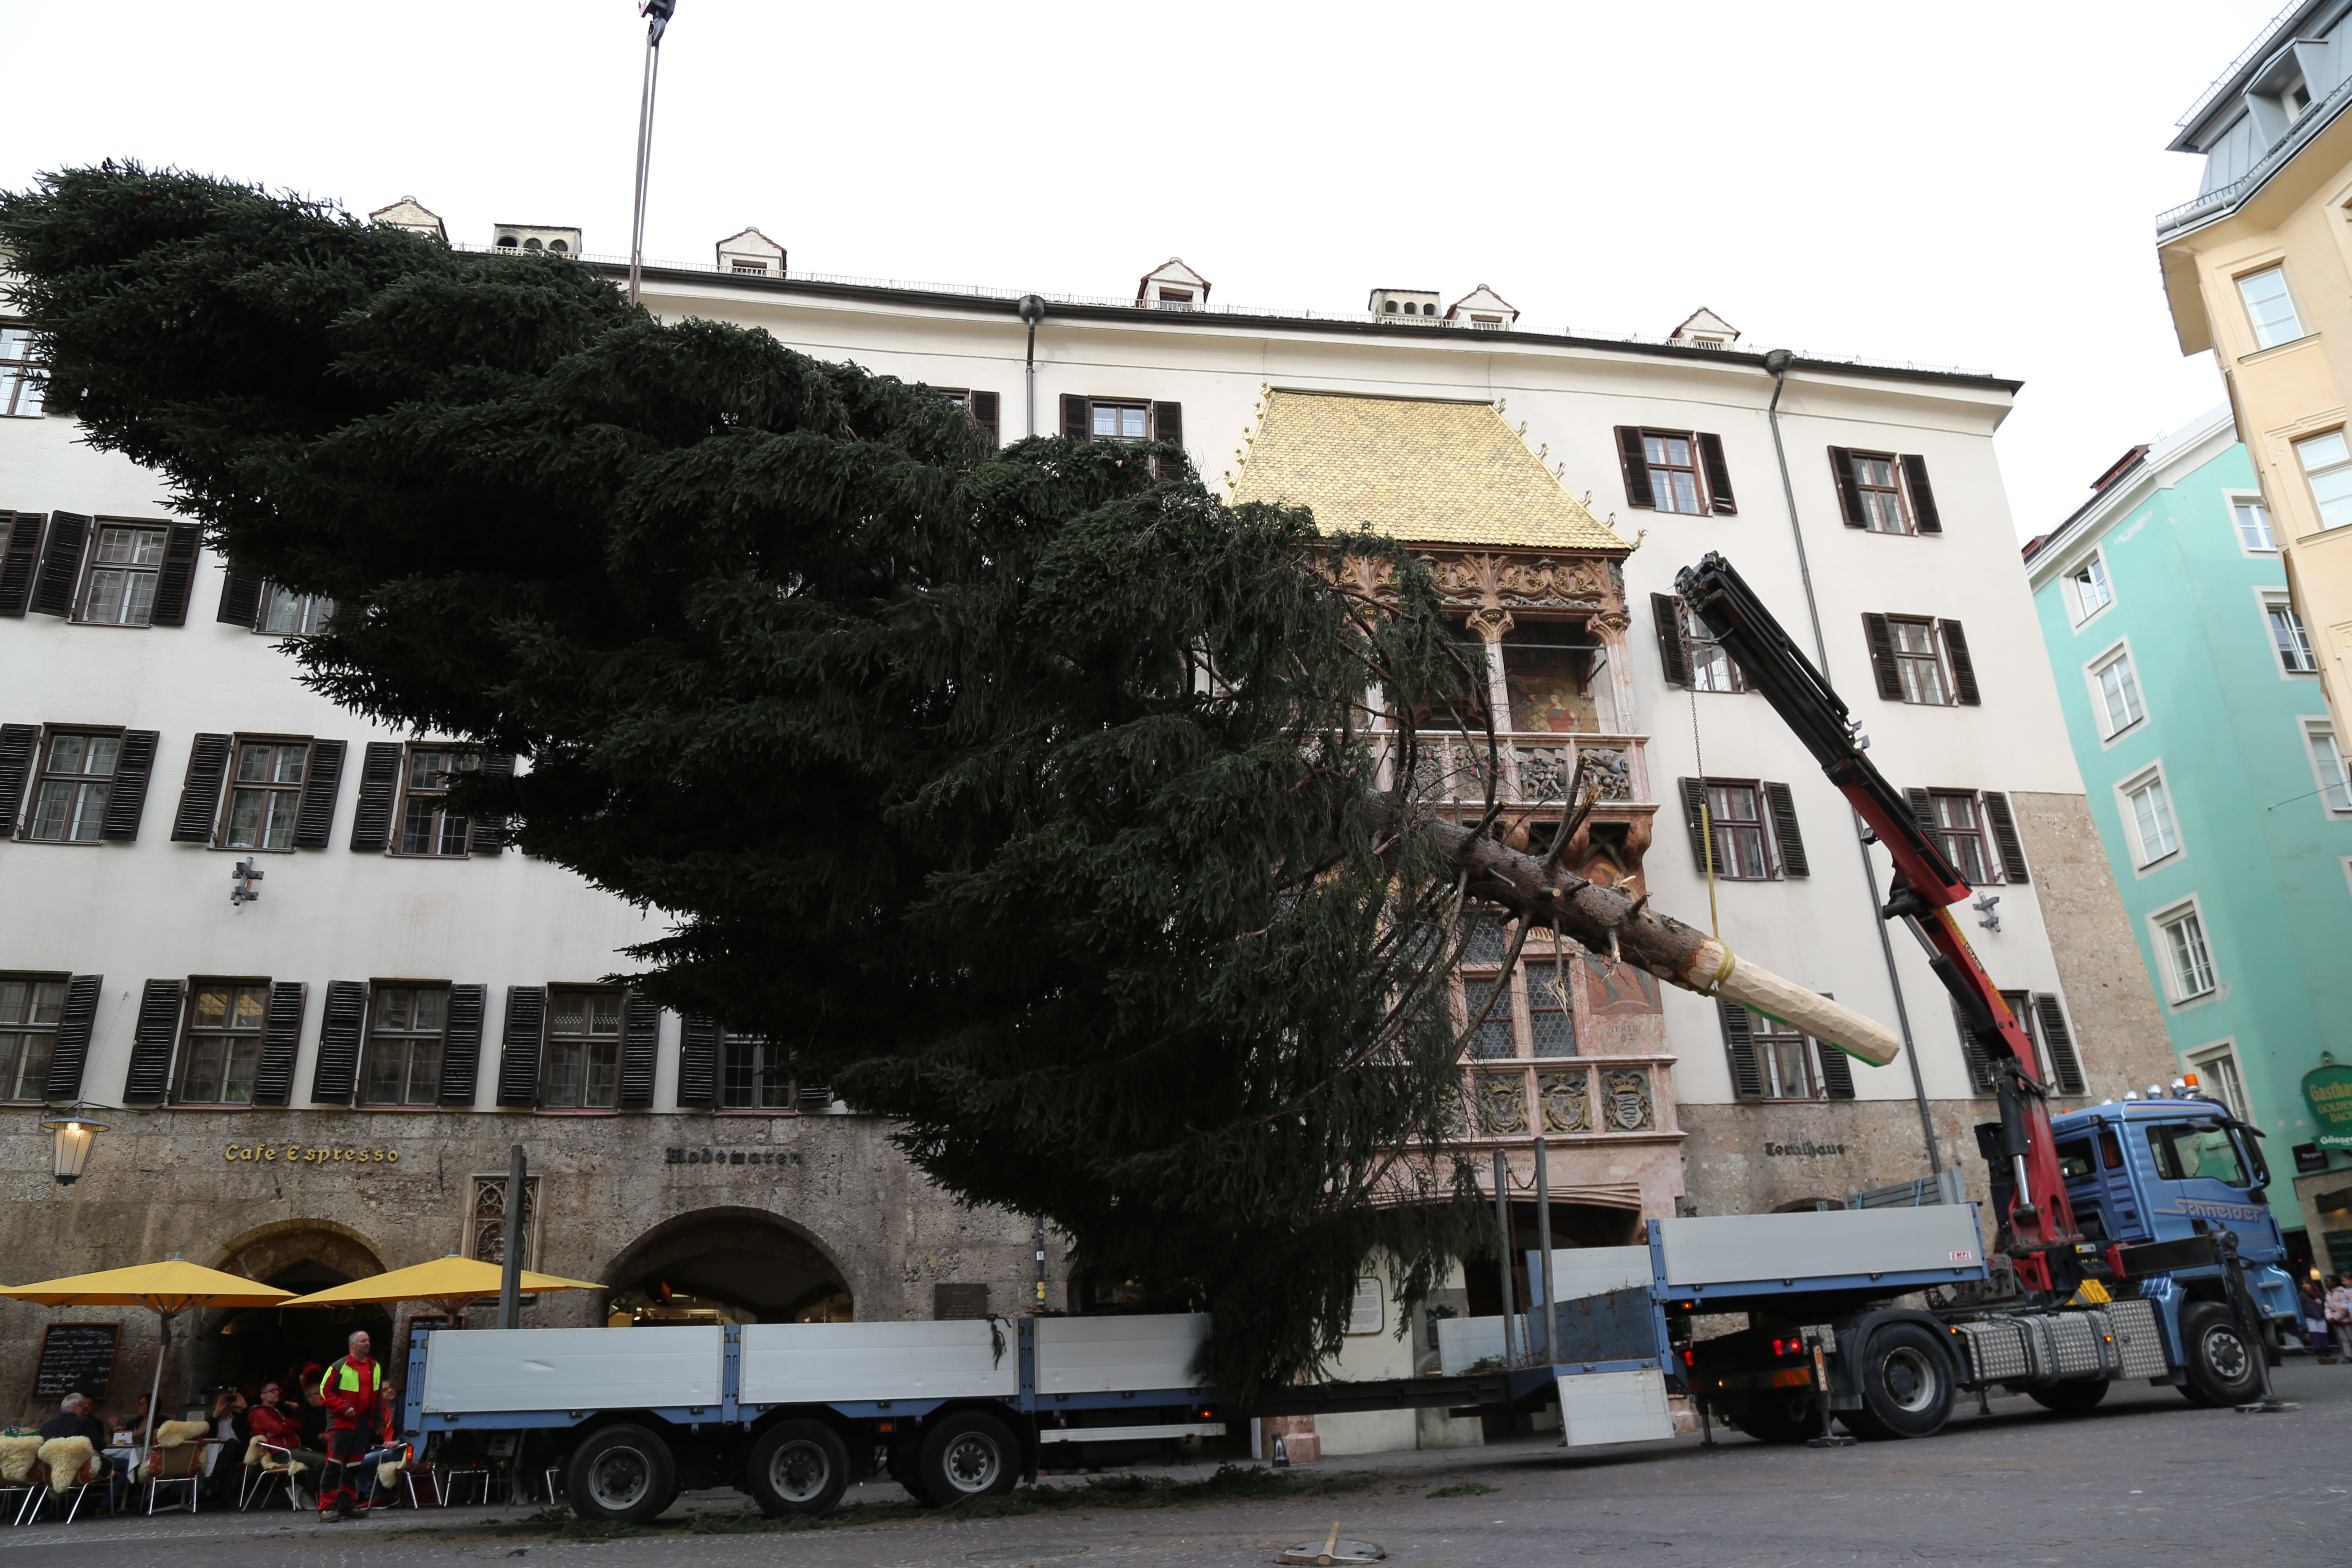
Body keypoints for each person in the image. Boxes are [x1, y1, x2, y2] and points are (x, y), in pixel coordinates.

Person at [316, 1330, 390, 1522]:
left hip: (363, 1424)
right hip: (342, 1423)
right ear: (353, 1345)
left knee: (354, 1466)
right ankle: (326, 1507)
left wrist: (379, 1421)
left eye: (368, 1341)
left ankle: (346, 1505)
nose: (367, 1344)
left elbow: (377, 1397)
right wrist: (343, 1407)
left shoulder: (375, 1367)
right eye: (363, 1341)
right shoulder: (339, 1367)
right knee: (334, 1465)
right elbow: (324, 1393)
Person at [40, 1391, 129, 1512]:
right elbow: (100, 1446)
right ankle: (104, 1505)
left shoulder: (46, 1426)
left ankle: (69, 1506)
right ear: (76, 1407)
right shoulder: (84, 1422)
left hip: (55, 1471)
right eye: (83, 1407)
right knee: (127, 1464)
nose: (84, 1410)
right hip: (82, 1468)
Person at [247, 1379, 325, 1509]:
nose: (277, 1393)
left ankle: (300, 1489)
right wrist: (284, 1426)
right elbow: (280, 1429)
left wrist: (285, 1425)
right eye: (272, 1391)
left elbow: (299, 1426)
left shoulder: (277, 1412)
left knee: (329, 1459)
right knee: (322, 1461)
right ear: (263, 1396)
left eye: (278, 1390)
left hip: (293, 1450)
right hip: (282, 1453)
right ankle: (306, 1493)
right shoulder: (259, 1412)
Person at [200, 1386, 250, 1505]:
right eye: (221, 1403)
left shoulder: (240, 1418)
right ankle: (223, 1500)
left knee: (231, 1442)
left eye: (227, 1402)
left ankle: (214, 1477)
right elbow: (203, 1433)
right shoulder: (211, 1422)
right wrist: (216, 1414)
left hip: (240, 1451)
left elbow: (254, 1422)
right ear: (214, 1405)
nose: (225, 1405)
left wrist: (244, 1407)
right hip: (218, 1455)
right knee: (228, 1461)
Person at [2328, 1275, 2352, 1362]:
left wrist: (2344, 1309)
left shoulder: (2342, 1291)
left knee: (2350, 1337)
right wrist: (2332, 1317)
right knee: (2344, 1339)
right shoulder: (2346, 1291)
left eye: (2345, 1281)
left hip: (2346, 1318)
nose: (2344, 1283)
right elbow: (2347, 1302)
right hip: (2346, 1317)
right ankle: (2348, 1356)